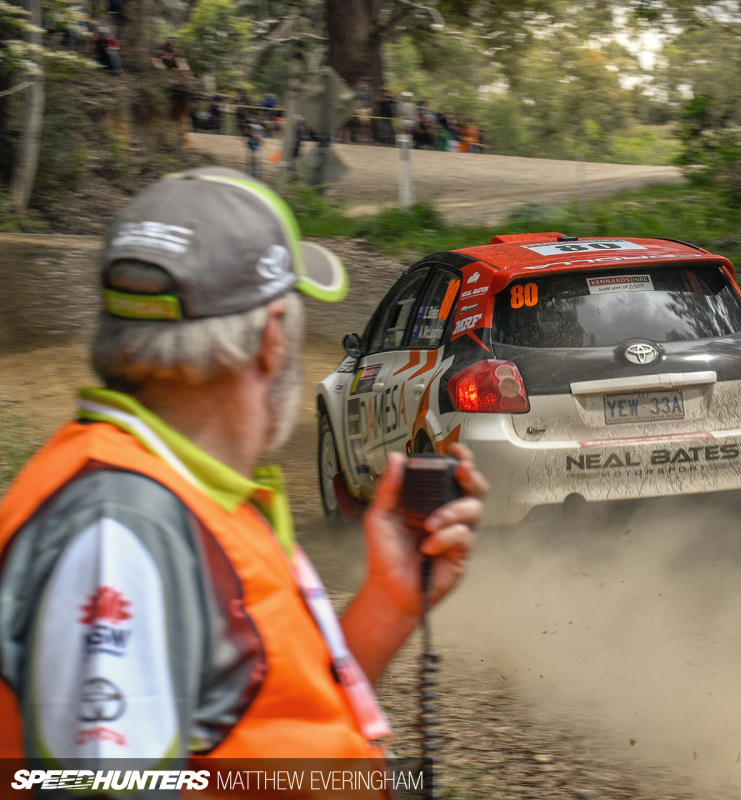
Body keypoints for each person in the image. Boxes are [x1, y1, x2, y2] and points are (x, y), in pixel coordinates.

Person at [0, 167, 486, 778]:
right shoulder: (120, 527)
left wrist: (389, 599)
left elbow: (262, 723)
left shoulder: (181, 493)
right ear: (273, 340)